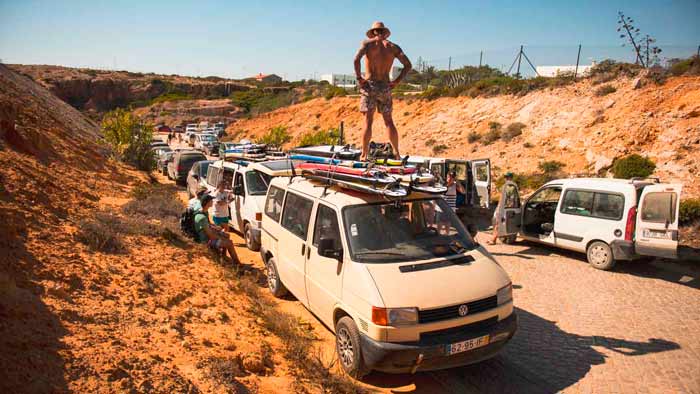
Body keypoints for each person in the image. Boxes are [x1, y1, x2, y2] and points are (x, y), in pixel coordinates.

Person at [354, 21, 412, 160]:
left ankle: (364, 154)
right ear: (385, 32)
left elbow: (356, 59)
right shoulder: (392, 47)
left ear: (374, 32)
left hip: (370, 86)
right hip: (385, 86)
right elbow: (408, 65)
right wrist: (396, 82)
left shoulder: (367, 44)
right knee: (388, 121)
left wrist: (359, 78)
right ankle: (397, 153)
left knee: (368, 121)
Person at [195, 195, 240, 264]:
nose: (212, 202)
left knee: (226, 235)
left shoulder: (204, 212)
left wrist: (216, 228)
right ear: (207, 203)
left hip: (207, 235)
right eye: (211, 201)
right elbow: (211, 236)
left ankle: (223, 256)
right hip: (206, 240)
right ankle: (238, 264)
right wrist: (221, 238)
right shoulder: (202, 217)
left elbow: (209, 224)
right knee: (229, 243)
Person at [489, 172, 520, 245]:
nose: (506, 178)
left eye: (507, 177)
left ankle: (493, 240)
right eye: (506, 177)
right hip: (505, 207)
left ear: (510, 178)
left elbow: (507, 199)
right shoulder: (512, 186)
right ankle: (495, 238)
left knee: (497, 223)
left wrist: (501, 207)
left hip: (504, 207)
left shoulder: (509, 187)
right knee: (499, 223)